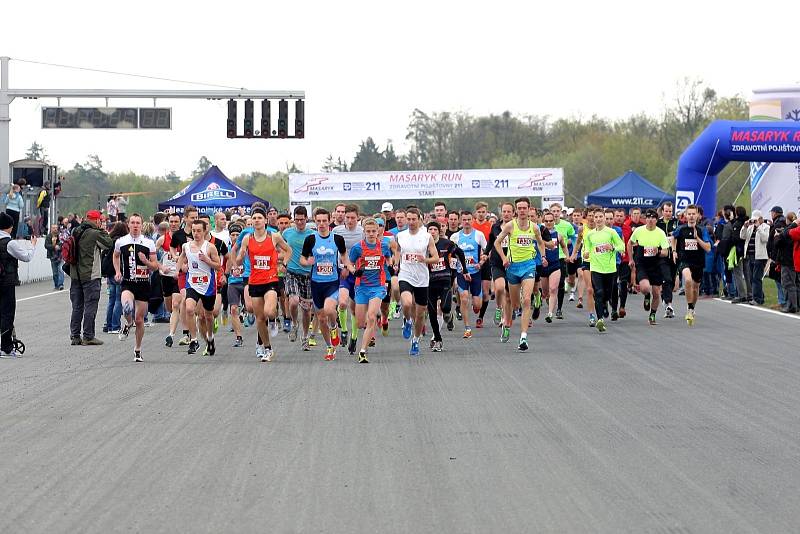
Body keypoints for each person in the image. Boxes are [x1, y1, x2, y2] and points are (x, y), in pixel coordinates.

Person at [237, 207, 292, 362]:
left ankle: (274, 320)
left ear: (265, 220)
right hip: (255, 281)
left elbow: (288, 250)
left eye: (259, 218)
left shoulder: (274, 236)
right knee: (260, 318)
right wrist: (240, 258)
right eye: (254, 218)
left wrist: (284, 264)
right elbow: (240, 258)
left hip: (271, 280)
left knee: (269, 311)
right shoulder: (248, 238)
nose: (257, 220)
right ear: (251, 221)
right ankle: (267, 347)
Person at [301, 208, 355, 361]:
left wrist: (350, 268)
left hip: (332, 282)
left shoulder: (337, 239)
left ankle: (334, 326)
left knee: (329, 308)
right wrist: (308, 262)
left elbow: (344, 256)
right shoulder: (311, 239)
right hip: (316, 283)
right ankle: (329, 347)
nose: (322, 224)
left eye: (324, 221)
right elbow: (302, 259)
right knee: (321, 318)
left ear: (329, 220)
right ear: (315, 221)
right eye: (318, 221)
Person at [493, 197, 547, 351]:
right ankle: (507, 324)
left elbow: (541, 242)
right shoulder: (510, 226)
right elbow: (497, 242)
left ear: (529, 209)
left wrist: (542, 257)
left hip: (529, 266)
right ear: (517, 210)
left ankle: (523, 337)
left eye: (525, 208)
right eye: (520, 208)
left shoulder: (534, 227)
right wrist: (504, 258)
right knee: (513, 302)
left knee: (527, 301)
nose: (522, 211)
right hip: (513, 267)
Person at [393, 207, 440, 357]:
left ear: (420, 219)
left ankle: (415, 340)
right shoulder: (400, 235)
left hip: (422, 278)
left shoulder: (427, 237)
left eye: (414, 219)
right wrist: (396, 262)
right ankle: (407, 321)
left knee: (420, 315)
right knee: (406, 303)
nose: (411, 222)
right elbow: (398, 251)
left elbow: (436, 258)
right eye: (409, 219)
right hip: (405, 275)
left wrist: (424, 259)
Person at [113, 214, 158, 362]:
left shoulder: (149, 243)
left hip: (143, 283)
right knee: (126, 307)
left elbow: (155, 266)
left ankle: (137, 349)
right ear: (128, 224)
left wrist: (145, 261)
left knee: (140, 320)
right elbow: (116, 256)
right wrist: (118, 271)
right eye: (132, 222)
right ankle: (127, 323)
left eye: (138, 223)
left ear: (142, 224)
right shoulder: (121, 242)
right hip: (128, 282)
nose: (135, 225)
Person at [349, 218, 394, 362]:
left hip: (378, 286)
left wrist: (390, 264)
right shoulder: (358, 247)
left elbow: (388, 258)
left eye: (373, 231)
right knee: (360, 323)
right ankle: (375, 319)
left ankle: (363, 351)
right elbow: (349, 263)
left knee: (371, 316)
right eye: (368, 231)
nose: (371, 234)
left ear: (378, 231)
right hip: (361, 286)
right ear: (364, 231)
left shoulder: (384, 245)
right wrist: (355, 270)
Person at [178, 219, 222, 357]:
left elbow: (218, 266)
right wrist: (179, 269)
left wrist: (207, 260)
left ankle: (210, 338)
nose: (196, 233)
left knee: (208, 316)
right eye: (193, 230)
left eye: (198, 231)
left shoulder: (210, 247)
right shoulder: (186, 245)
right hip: (192, 283)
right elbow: (182, 258)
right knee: (189, 308)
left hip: (208, 285)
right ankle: (194, 340)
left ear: (204, 231)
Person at [68, 210, 113, 345]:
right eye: (100, 220)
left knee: (77, 306)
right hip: (91, 275)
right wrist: (103, 230)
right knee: (90, 305)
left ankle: (75, 336)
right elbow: (108, 244)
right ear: (96, 220)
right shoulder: (95, 233)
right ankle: (88, 336)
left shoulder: (75, 231)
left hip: (75, 274)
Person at [426, 221, 467, 352]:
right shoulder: (423, 245)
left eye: (434, 229)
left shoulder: (447, 244)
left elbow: (460, 253)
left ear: (439, 231)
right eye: (430, 229)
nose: (432, 231)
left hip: (445, 280)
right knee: (432, 312)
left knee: (445, 307)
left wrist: (464, 271)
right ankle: (437, 339)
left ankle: (449, 315)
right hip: (429, 282)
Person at [0, 212, 36, 358]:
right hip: (7, 282)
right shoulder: (10, 243)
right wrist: (33, 245)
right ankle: (6, 348)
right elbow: (26, 257)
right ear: (9, 227)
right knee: (7, 314)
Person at [584, 207, 624, 333]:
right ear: (593, 219)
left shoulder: (611, 232)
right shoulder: (589, 234)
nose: (599, 219)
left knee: (607, 293)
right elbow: (586, 249)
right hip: (595, 267)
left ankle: (605, 305)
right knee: (599, 292)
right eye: (596, 217)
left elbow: (621, 245)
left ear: (603, 218)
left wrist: (612, 247)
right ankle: (600, 319)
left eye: (601, 217)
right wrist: (585, 254)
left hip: (610, 268)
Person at [627, 209, 670, 325]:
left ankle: (652, 314)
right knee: (645, 288)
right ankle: (646, 295)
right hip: (642, 263)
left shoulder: (660, 233)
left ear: (656, 220)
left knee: (656, 293)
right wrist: (631, 259)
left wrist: (659, 251)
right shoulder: (639, 231)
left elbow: (666, 252)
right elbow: (629, 243)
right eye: (648, 218)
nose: (650, 220)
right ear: (645, 219)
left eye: (653, 218)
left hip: (655, 264)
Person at [450, 210, 488, 338]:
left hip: (476, 273)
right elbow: (450, 256)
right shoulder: (455, 237)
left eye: (469, 219)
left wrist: (481, 262)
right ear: (461, 221)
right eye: (464, 220)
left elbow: (486, 252)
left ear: (473, 220)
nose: (466, 222)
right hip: (461, 273)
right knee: (464, 298)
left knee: (477, 305)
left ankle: (475, 308)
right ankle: (467, 328)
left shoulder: (479, 235)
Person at [672, 205, 711, 325]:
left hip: (698, 262)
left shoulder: (702, 230)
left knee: (695, 287)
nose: (691, 216)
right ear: (686, 215)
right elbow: (673, 237)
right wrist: (674, 251)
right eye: (689, 214)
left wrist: (697, 238)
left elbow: (708, 248)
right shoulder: (681, 229)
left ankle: (692, 308)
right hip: (684, 260)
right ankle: (689, 308)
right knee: (688, 280)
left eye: (694, 214)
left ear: (698, 215)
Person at [333, 204, 364, 353]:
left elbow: (366, 254)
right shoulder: (336, 231)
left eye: (353, 218)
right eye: (347, 217)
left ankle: (354, 337)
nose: (350, 220)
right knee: (343, 302)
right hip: (342, 273)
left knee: (355, 309)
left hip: (358, 274)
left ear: (358, 218)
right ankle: (344, 330)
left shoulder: (363, 232)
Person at [282, 206, 314, 349]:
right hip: (291, 272)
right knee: (294, 301)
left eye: (302, 220)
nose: (299, 222)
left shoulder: (312, 234)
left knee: (307, 309)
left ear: (306, 219)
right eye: (297, 220)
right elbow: (278, 247)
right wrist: (280, 261)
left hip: (307, 274)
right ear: (293, 219)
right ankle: (294, 323)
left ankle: (305, 336)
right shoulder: (287, 233)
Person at [486, 202, 515, 334]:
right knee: (499, 288)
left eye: (509, 211)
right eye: (504, 211)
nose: (507, 214)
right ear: (501, 213)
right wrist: (485, 254)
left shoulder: (516, 227)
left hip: (513, 263)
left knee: (509, 297)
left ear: (513, 213)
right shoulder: (496, 226)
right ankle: (498, 307)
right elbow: (491, 242)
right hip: (498, 262)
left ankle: (505, 320)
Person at [540, 212, 569, 323]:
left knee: (553, 289)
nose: (548, 223)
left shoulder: (558, 235)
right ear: (543, 221)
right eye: (546, 221)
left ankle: (550, 313)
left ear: (554, 221)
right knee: (545, 292)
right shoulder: (539, 234)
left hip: (555, 265)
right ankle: (547, 298)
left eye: (550, 221)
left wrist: (567, 256)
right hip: (543, 266)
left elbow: (564, 246)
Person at [739, 209, 770, 305]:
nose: (754, 222)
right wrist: (744, 227)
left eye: (756, 220)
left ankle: (757, 299)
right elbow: (742, 236)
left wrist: (759, 227)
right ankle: (759, 296)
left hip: (760, 256)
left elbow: (765, 239)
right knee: (752, 278)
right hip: (750, 256)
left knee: (757, 278)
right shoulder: (750, 227)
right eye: (753, 220)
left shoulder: (766, 227)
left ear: (761, 219)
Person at [102, 222, 129, 334]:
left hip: (109, 273)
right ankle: (115, 325)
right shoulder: (121, 242)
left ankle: (108, 325)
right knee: (119, 300)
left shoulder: (109, 240)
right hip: (118, 272)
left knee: (111, 300)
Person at [656, 202, 679, 318]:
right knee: (666, 278)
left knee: (671, 280)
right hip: (662, 256)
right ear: (662, 211)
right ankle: (669, 304)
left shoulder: (676, 222)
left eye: (670, 211)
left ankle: (665, 300)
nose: (668, 213)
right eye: (666, 211)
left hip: (674, 256)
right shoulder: (658, 223)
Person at [226, 223, 246, 346]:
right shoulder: (228, 250)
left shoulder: (246, 248)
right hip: (233, 282)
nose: (235, 237)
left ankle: (247, 312)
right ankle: (238, 337)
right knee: (233, 309)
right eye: (232, 235)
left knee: (250, 307)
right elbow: (226, 269)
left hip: (246, 282)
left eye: (237, 235)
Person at [44, 224, 64, 290]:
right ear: (51, 229)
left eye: (56, 228)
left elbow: (62, 243)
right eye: (53, 228)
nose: (55, 229)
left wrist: (59, 246)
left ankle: (61, 284)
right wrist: (54, 247)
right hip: (52, 256)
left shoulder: (60, 235)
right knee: (55, 272)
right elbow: (46, 245)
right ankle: (56, 285)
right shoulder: (48, 236)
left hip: (60, 255)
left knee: (60, 269)